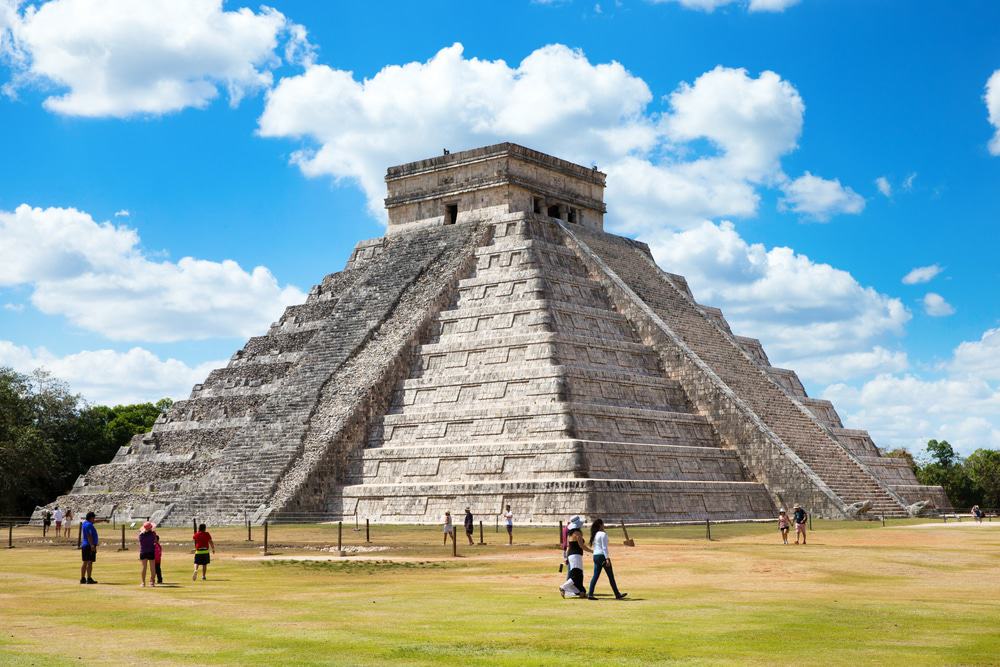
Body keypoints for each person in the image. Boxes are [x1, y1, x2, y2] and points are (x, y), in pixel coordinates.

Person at [587, 518, 626, 600]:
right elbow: (604, 548)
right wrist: (607, 558)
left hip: (596, 556)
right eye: (603, 524)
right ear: (600, 525)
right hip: (602, 556)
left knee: (595, 576)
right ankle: (617, 594)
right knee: (611, 576)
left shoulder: (595, 534)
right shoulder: (603, 534)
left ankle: (590, 593)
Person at [559, 516, 591, 598]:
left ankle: (580, 591)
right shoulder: (577, 533)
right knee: (576, 575)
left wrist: (566, 557)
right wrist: (592, 551)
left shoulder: (570, 534)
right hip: (576, 555)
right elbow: (582, 546)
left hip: (572, 555)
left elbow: (568, 547)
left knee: (578, 574)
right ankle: (563, 587)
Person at [80, 511, 99, 584]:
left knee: (85, 562)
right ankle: (89, 578)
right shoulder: (89, 525)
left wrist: (104, 520)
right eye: (94, 518)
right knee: (90, 562)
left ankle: (82, 578)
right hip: (89, 545)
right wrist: (92, 546)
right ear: (91, 518)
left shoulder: (85, 523)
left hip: (85, 545)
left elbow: (95, 522)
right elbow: (89, 535)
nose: (94, 519)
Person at [138, 522, 156, 587]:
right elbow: (155, 541)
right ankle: (152, 582)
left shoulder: (141, 535)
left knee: (143, 567)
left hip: (143, 551)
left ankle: (143, 582)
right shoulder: (153, 534)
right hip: (151, 551)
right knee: (152, 567)